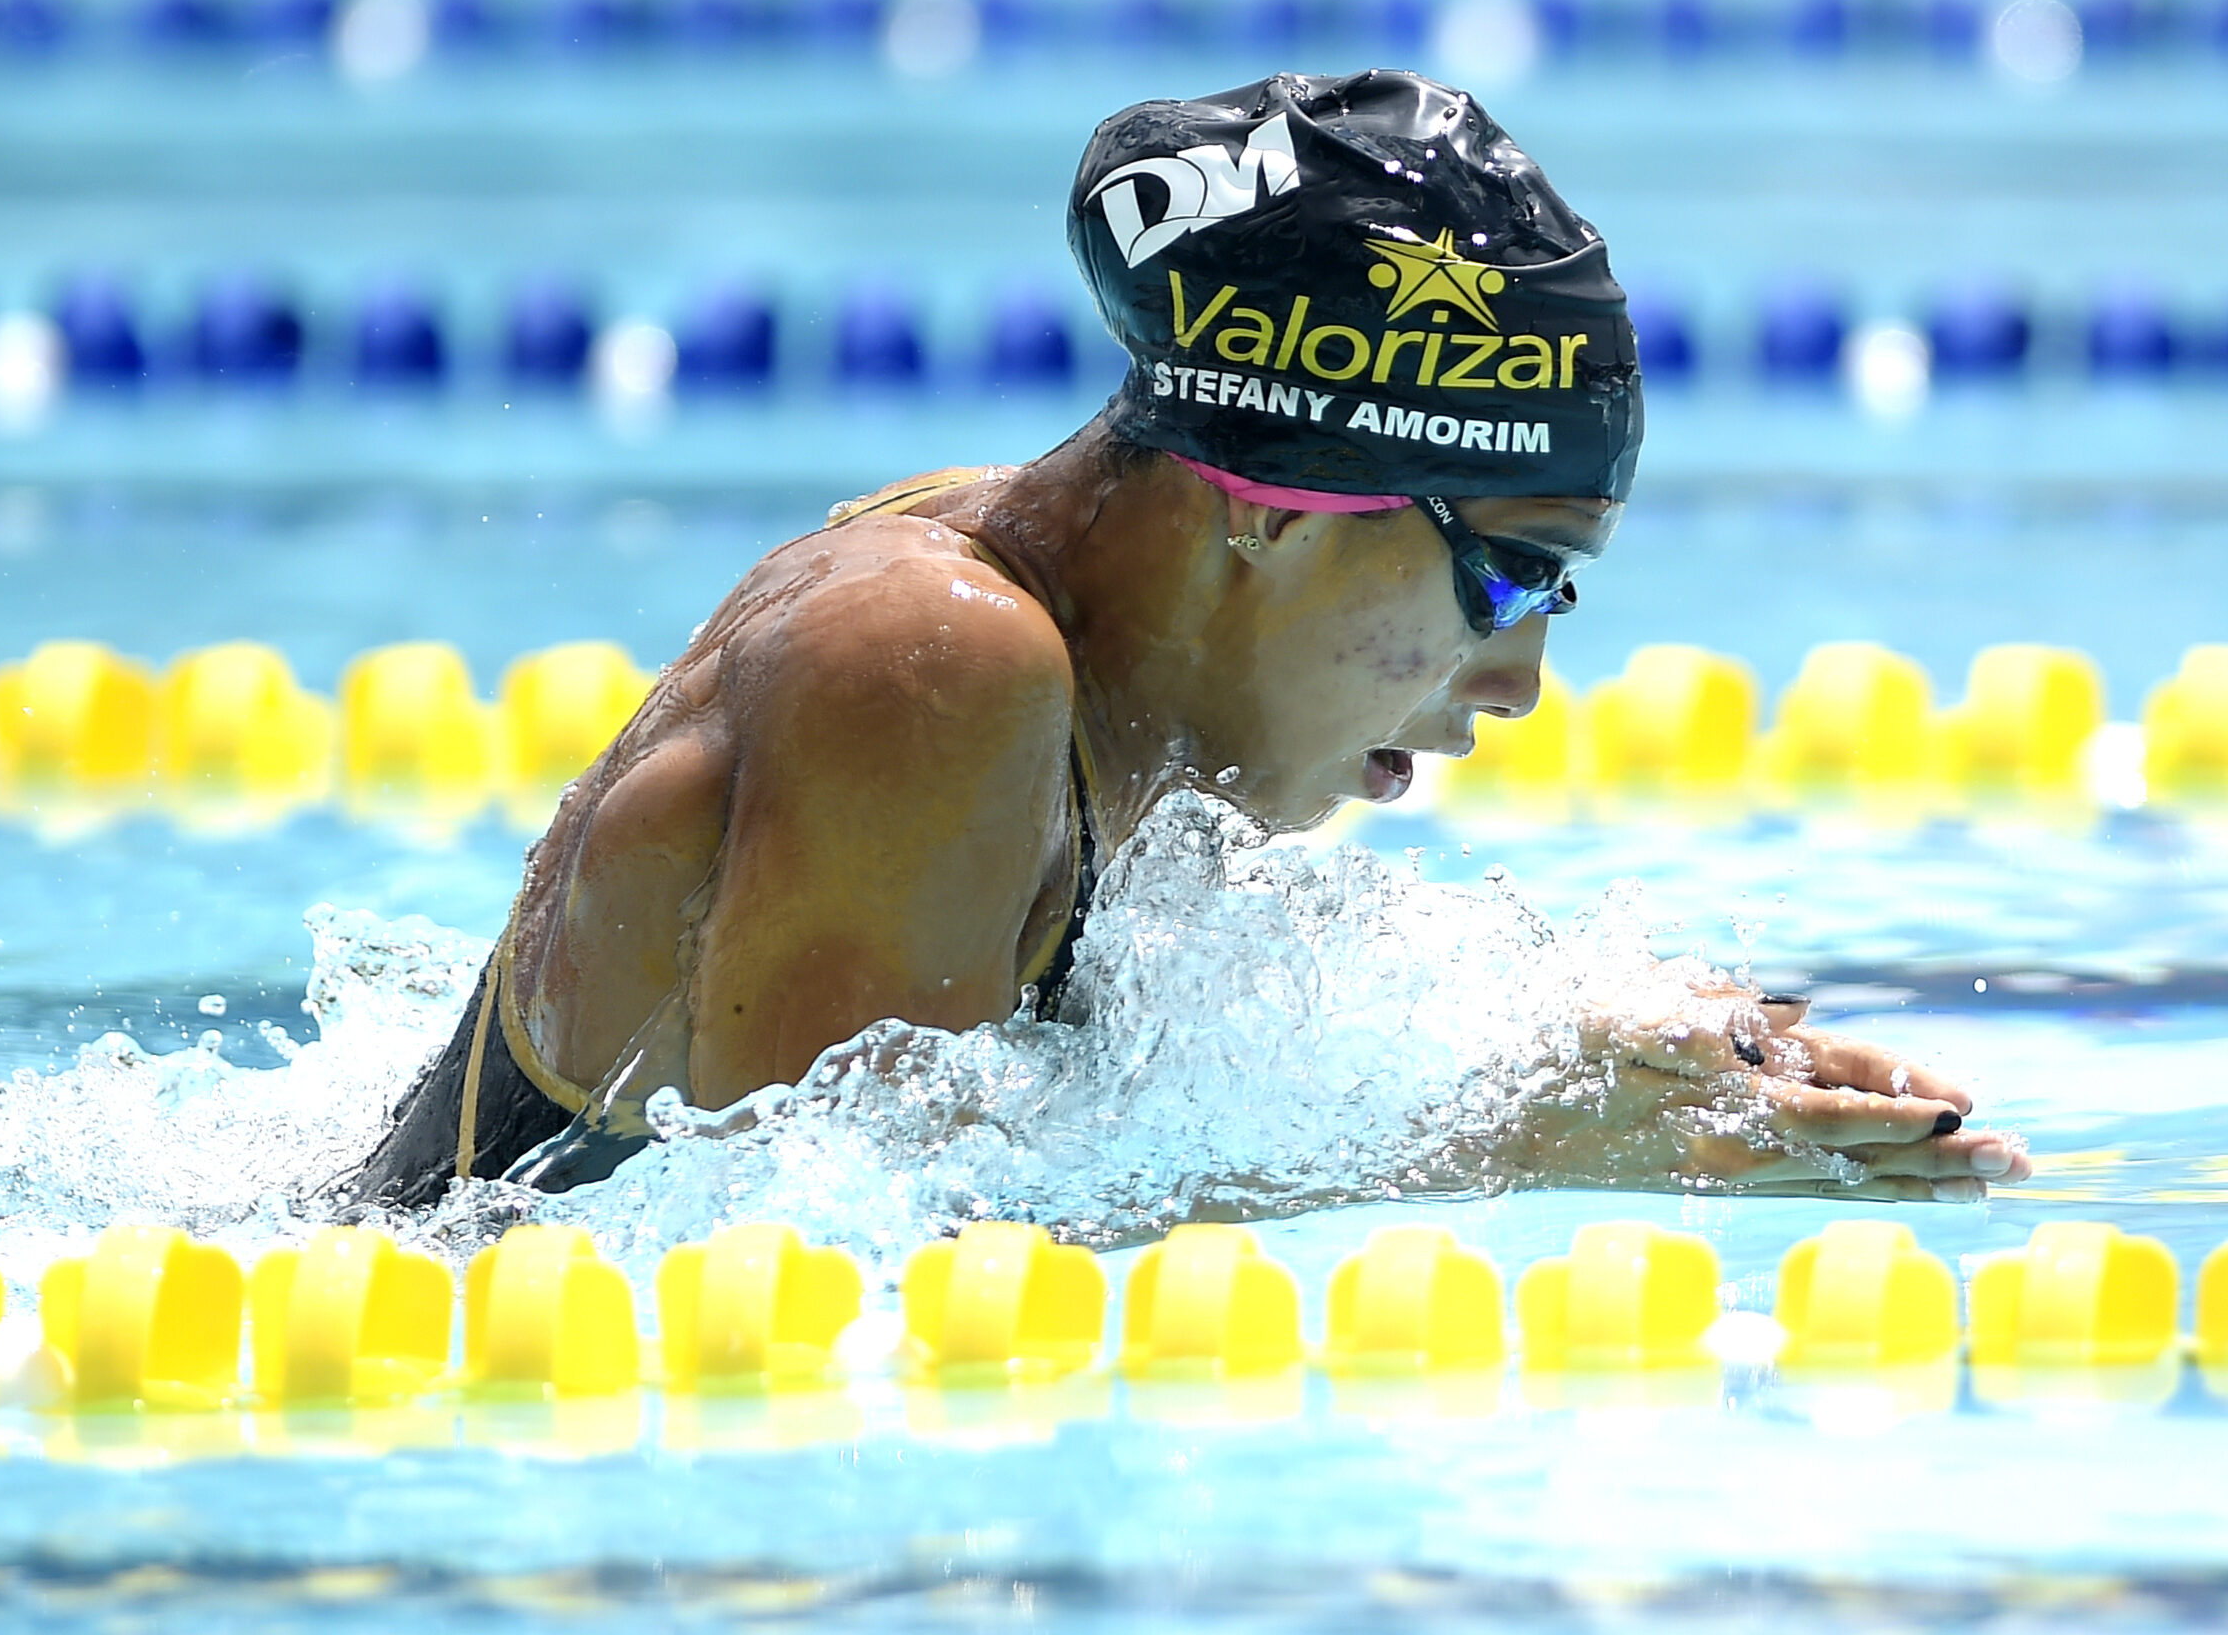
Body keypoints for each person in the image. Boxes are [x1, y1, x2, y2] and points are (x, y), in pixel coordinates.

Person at [350, 69, 2027, 1208]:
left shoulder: (1094, 654)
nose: (1516, 681)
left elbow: (1077, 1072)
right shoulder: (933, 661)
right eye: (1511, 577)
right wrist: (1507, 1144)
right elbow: (825, 1251)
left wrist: (1592, 1043)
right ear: (1291, 506)